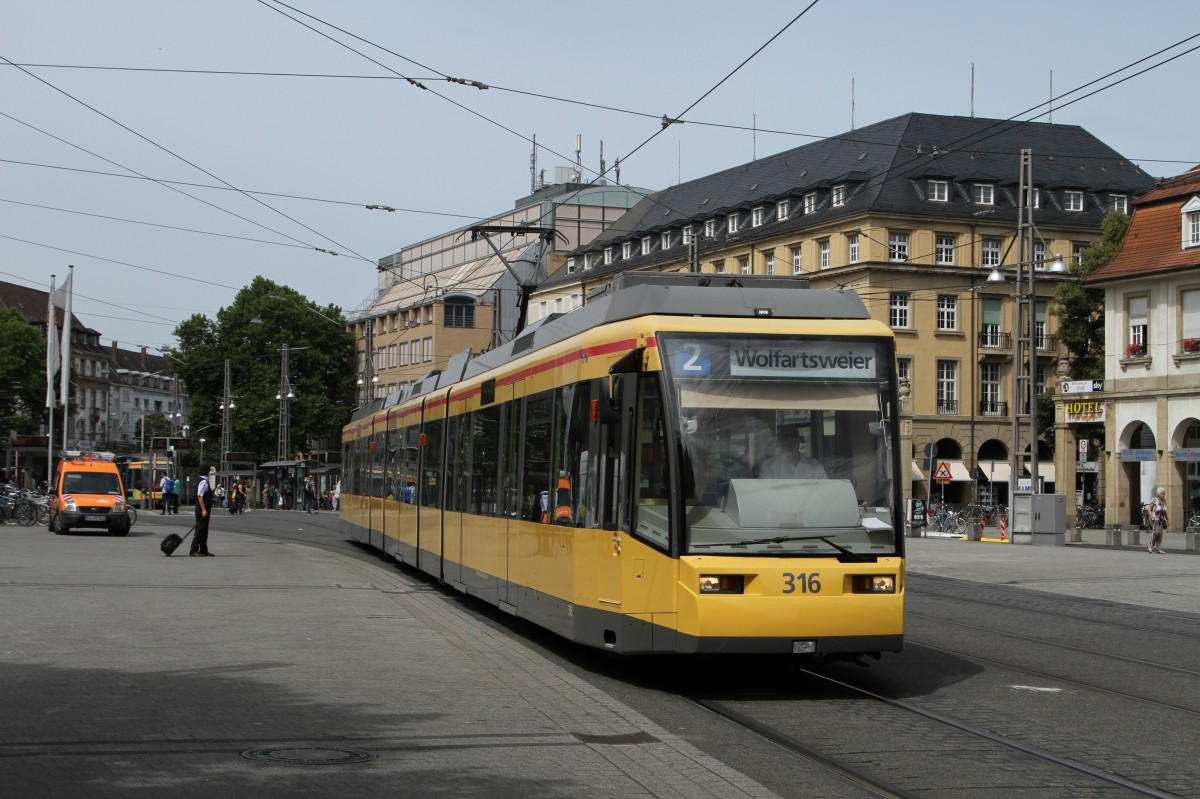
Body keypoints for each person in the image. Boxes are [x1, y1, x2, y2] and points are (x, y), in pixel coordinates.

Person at [758, 425, 828, 479]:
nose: (790, 439)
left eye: (793, 435)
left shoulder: (815, 466)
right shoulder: (769, 466)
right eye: (786, 436)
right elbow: (765, 495)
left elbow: (824, 492)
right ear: (780, 439)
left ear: (799, 439)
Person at [190, 464, 215, 557]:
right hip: (202, 509)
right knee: (200, 530)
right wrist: (204, 509)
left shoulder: (201, 480)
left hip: (203, 509)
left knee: (204, 530)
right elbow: (200, 496)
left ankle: (204, 549)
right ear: (207, 471)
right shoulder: (203, 481)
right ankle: (193, 550)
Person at [1148, 487, 1168, 554]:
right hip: (1155, 518)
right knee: (1156, 533)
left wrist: (1167, 519)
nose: (1163, 495)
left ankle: (1158, 549)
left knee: (1161, 534)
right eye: (1162, 494)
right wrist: (1151, 516)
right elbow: (1149, 508)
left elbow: (1165, 511)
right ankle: (1150, 545)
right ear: (1159, 494)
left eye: (1164, 494)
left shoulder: (1164, 501)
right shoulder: (1154, 500)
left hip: (1161, 519)